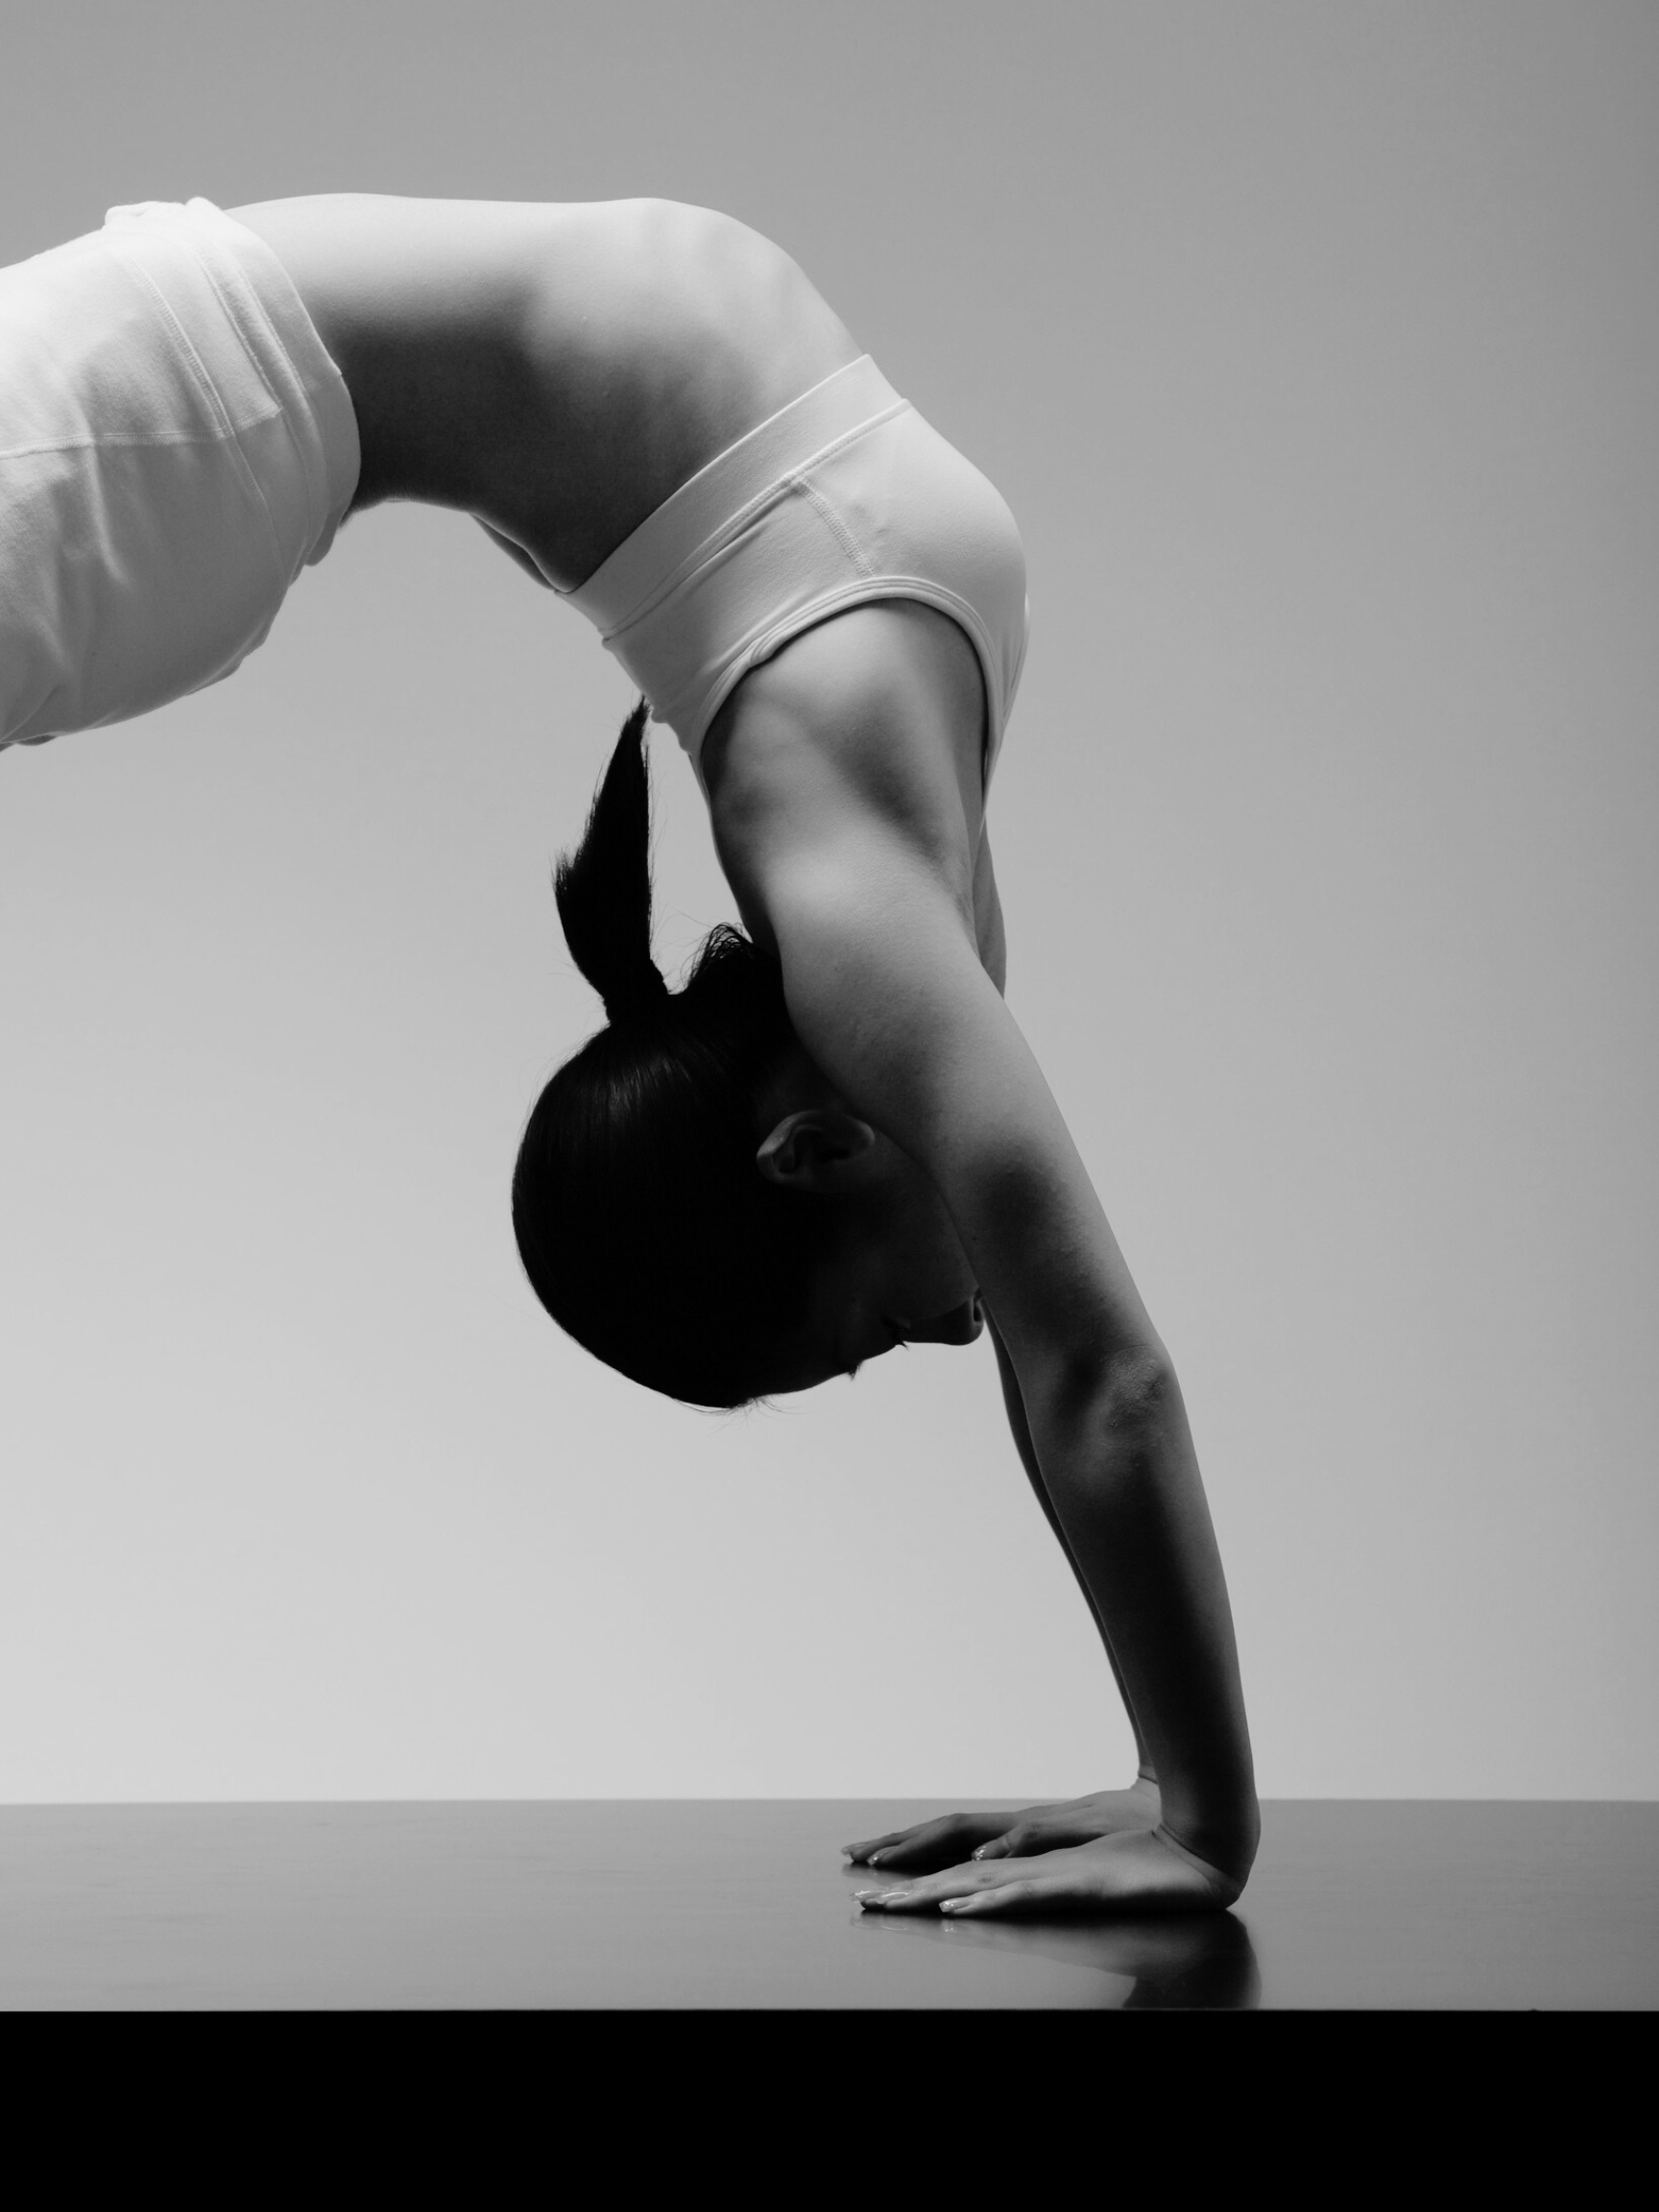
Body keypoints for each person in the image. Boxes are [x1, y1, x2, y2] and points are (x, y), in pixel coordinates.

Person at [0, 195, 1259, 1915]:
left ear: (816, 1154)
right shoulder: (870, 924)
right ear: (810, 1153)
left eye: (874, 1335)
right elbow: (1092, 1374)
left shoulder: (873, 929)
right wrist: (1196, 1815)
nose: (955, 1328)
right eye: (870, 1341)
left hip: (185, 433)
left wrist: (1173, 1784)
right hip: (179, 419)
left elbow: (1061, 1362)